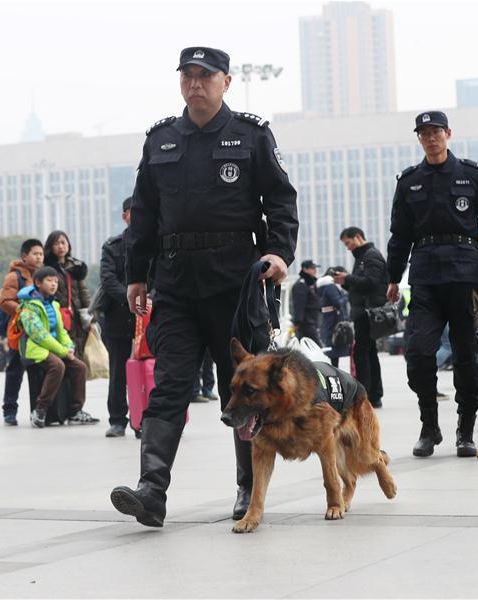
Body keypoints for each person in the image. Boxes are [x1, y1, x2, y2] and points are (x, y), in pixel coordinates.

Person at [111, 46, 298, 528]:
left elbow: (280, 197)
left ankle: (246, 488)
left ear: (226, 82)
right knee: (170, 384)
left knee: (243, 391)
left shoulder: (251, 135)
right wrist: (136, 273)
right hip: (174, 284)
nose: (196, 83)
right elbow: (144, 213)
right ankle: (151, 491)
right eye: (188, 76)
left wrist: (279, 251)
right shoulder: (161, 140)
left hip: (234, 284)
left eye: (205, 76)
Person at [385, 111, 478, 458]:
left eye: (436, 131)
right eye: (424, 133)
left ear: (448, 134)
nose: (431, 138)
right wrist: (393, 278)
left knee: (467, 357)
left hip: (466, 277)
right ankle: (430, 426)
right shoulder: (408, 182)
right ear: (419, 138)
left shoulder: (471, 175)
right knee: (419, 354)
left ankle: (465, 431)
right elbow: (400, 234)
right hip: (425, 278)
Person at [18, 266, 90, 428]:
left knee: (80, 367)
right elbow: (39, 335)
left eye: (56, 281)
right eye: (49, 280)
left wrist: (69, 347)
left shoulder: (54, 304)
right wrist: (63, 351)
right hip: (36, 348)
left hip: (55, 347)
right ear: (38, 283)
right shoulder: (29, 307)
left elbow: (61, 330)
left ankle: (75, 411)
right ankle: (40, 410)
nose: (54, 284)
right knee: (57, 366)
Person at [334, 227, 388, 409]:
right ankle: (374, 395)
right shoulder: (363, 256)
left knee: (362, 353)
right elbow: (362, 287)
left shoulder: (370, 256)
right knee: (369, 353)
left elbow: (372, 282)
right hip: (364, 311)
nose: (348, 248)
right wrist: (345, 283)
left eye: (348, 243)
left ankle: (364, 396)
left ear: (357, 237)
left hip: (368, 313)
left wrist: (348, 278)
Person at [0, 239, 44, 425]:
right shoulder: (15, 276)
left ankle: (37, 410)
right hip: (20, 332)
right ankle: (9, 410)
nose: (39, 257)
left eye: (41, 254)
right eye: (35, 254)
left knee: (37, 370)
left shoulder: (43, 274)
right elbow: (4, 300)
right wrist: (25, 313)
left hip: (38, 332)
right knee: (15, 370)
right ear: (25, 256)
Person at [100, 197, 137, 437]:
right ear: (125, 215)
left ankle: (146, 417)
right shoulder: (111, 246)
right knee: (118, 372)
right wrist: (130, 297)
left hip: (149, 318)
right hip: (118, 319)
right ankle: (117, 419)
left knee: (153, 371)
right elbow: (108, 279)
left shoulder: (156, 243)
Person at [44, 230, 91, 355]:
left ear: (68, 245)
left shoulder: (76, 267)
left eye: (63, 242)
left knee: (79, 349)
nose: (60, 246)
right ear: (50, 247)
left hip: (76, 315)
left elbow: (83, 292)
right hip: (57, 315)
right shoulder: (46, 268)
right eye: (56, 243)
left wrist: (90, 315)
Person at [317, 266, 350, 367]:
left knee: (332, 345)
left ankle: (334, 368)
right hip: (333, 319)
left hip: (328, 319)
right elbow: (338, 303)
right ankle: (335, 370)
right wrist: (346, 296)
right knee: (335, 344)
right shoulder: (330, 286)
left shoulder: (322, 286)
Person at [291, 260, 322, 345]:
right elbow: (299, 305)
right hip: (306, 323)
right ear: (305, 269)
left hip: (313, 321)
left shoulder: (310, 283)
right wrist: (297, 322)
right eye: (312, 268)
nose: (315, 270)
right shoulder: (301, 285)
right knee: (315, 347)